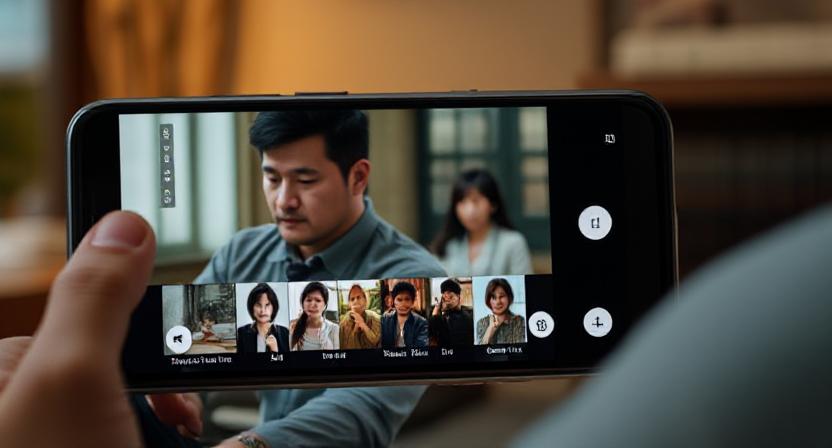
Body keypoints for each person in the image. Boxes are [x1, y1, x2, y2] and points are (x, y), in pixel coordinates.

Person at [175, 110, 446, 447]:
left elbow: (362, 408)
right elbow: (186, 348)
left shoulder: (412, 277)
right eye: (273, 178)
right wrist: (183, 394)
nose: (284, 201)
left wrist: (250, 444)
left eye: (305, 181)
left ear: (358, 177)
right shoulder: (241, 253)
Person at [432, 169, 533, 277]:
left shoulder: (513, 243)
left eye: (476, 201)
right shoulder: (448, 245)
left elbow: (525, 285)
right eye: (462, 202)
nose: (469, 210)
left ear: (493, 204)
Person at [236, 283, 290, 354]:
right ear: (252, 307)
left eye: (267, 305)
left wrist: (275, 351)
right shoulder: (242, 333)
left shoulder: (285, 333)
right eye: (258, 305)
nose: (263, 310)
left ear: (274, 307)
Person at [289, 281, 339, 351]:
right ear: (302, 304)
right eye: (309, 300)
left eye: (318, 300)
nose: (313, 304)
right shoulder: (293, 326)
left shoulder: (334, 329)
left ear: (325, 305)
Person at [475, 278, 526, 345]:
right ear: (488, 301)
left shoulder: (520, 321)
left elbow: (519, 347)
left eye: (501, 296)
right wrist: (490, 329)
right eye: (494, 297)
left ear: (509, 297)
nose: (498, 302)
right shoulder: (481, 323)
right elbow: (480, 349)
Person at [381, 281, 429, 348]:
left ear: (412, 302)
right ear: (393, 301)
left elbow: (421, 347)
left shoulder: (421, 323)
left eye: (407, 299)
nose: (403, 304)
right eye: (399, 300)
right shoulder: (385, 319)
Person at [429, 278, 474, 347]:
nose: (446, 298)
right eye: (444, 295)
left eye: (450, 295)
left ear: (458, 297)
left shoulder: (464, 317)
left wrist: (436, 311)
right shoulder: (443, 317)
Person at [339, 284, 382, 349]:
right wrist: (354, 331)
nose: (355, 301)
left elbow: (376, 341)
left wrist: (363, 325)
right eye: (352, 299)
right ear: (349, 304)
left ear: (365, 300)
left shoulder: (375, 318)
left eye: (358, 297)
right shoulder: (343, 325)